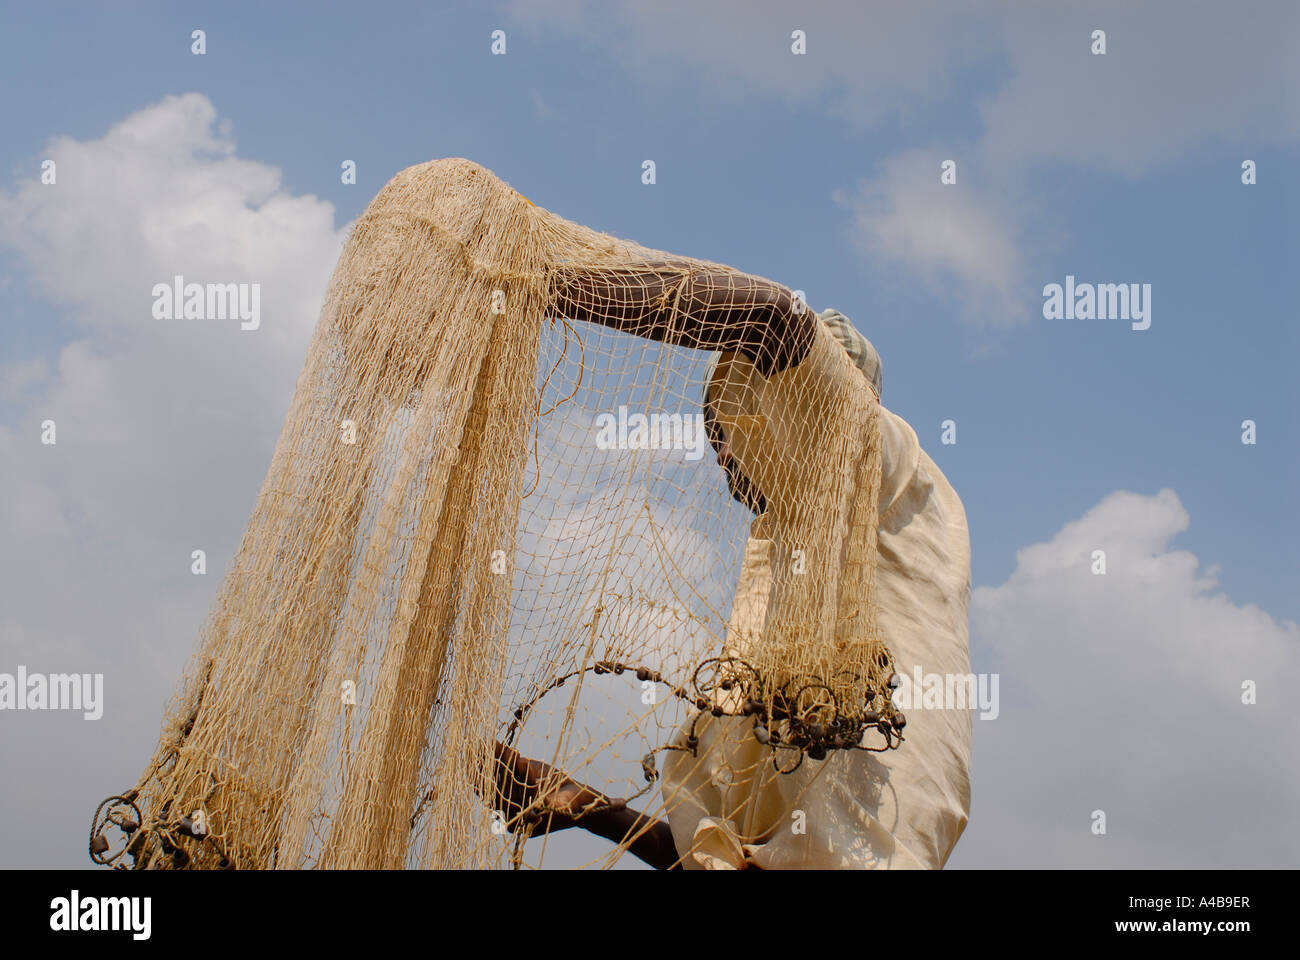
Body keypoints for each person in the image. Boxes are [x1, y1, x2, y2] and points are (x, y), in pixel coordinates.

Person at [487, 262, 972, 870]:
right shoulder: (790, 588)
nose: (722, 452)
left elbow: (773, 317)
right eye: (717, 429)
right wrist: (588, 806)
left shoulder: (878, 457)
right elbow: (723, 858)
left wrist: (544, 286)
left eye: (741, 421)